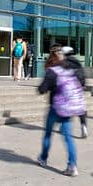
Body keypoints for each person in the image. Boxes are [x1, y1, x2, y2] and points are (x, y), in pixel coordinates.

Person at [37, 45, 85, 176]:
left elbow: (42, 89)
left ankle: (43, 158)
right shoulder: (69, 70)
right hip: (68, 108)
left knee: (48, 134)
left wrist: (44, 86)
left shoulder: (52, 71)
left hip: (55, 107)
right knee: (68, 138)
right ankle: (72, 166)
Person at [61, 46, 89, 138]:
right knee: (80, 108)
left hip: (68, 88)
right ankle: (84, 126)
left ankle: (64, 127)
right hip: (79, 87)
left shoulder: (64, 63)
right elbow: (82, 75)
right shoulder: (77, 62)